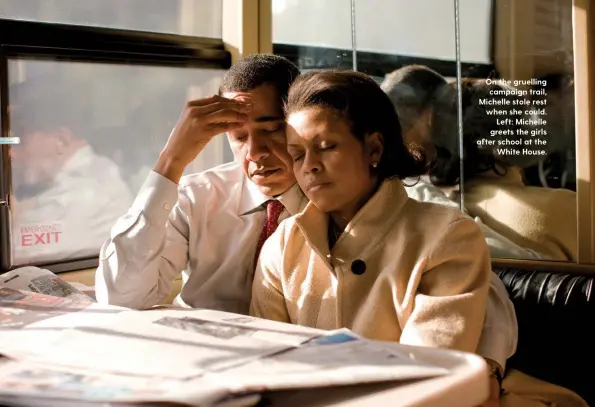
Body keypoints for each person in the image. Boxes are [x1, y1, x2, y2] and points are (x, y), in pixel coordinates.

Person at [96, 55, 514, 404]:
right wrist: (171, 162)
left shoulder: (390, 202)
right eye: (238, 137)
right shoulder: (207, 201)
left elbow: (476, 278)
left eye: (272, 130)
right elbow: (120, 296)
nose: (255, 154)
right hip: (217, 376)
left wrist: (486, 369)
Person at [9, 76, 133, 266]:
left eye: (20, 139)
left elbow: (21, 255)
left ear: (61, 140)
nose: (11, 153)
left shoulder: (89, 189)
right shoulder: (92, 175)